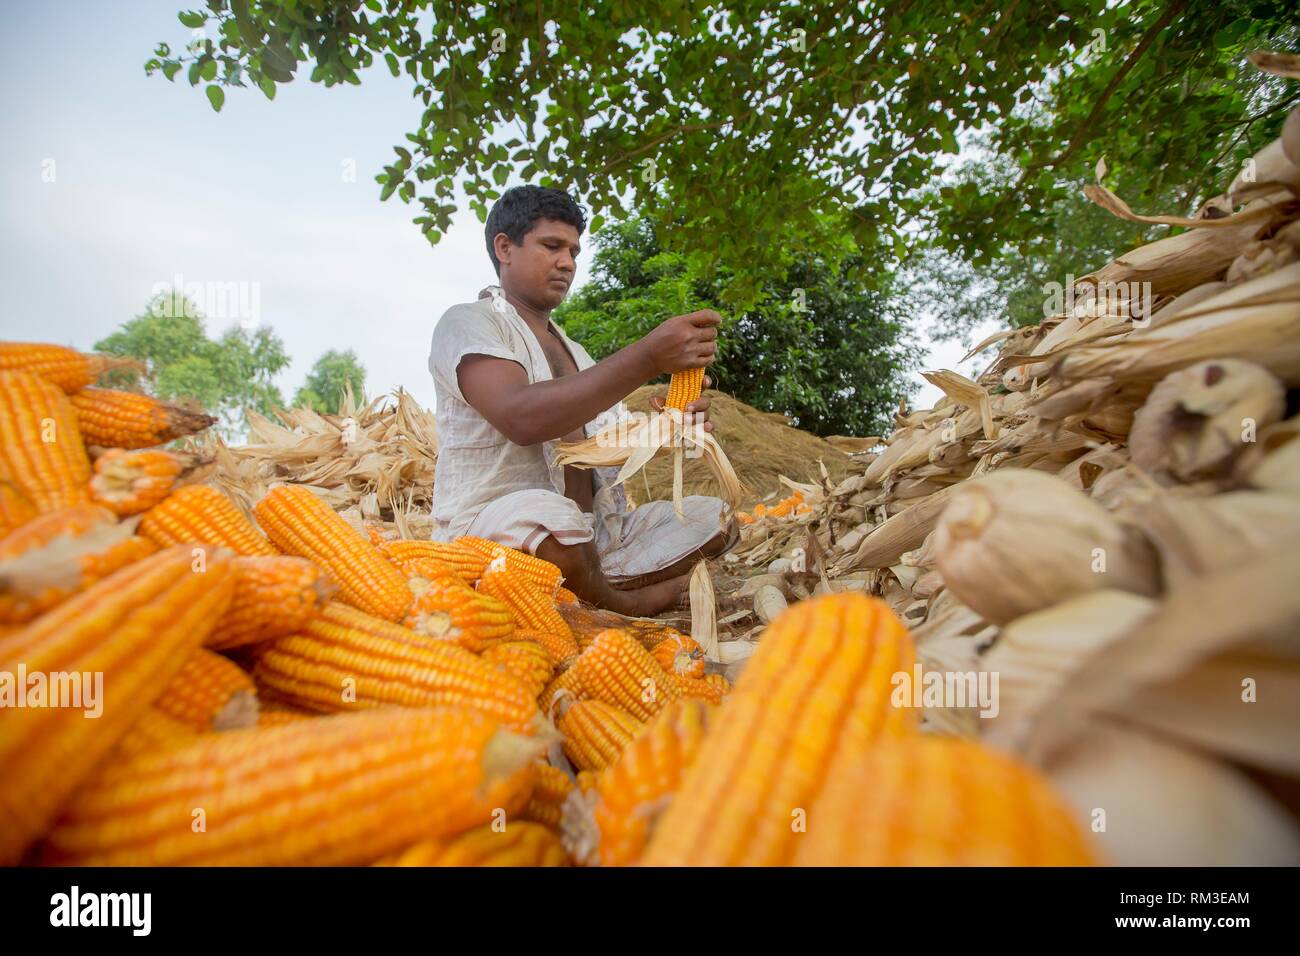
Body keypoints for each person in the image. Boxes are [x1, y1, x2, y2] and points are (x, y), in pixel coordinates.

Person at [427, 185, 737, 615]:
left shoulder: (578, 352)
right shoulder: (468, 323)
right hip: (496, 526)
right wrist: (647, 357)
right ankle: (626, 602)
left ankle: (586, 582)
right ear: (505, 247)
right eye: (551, 246)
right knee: (552, 520)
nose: (567, 263)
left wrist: (669, 425)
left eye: (573, 251)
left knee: (713, 517)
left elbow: (604, 446)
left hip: (598, 534)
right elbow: (521, 418)